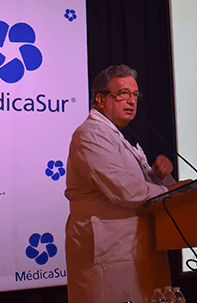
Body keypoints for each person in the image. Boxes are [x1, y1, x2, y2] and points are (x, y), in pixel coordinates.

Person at [65, 65, 188, 303]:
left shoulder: (122, 136)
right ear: (100, 99)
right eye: (122, 94)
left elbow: (137, 185)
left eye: (135, 94)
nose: (131, 101)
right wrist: (167, 191)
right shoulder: (90, 134)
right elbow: (124, 190)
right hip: (108, 250)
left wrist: (157, 176)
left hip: (133, 246)